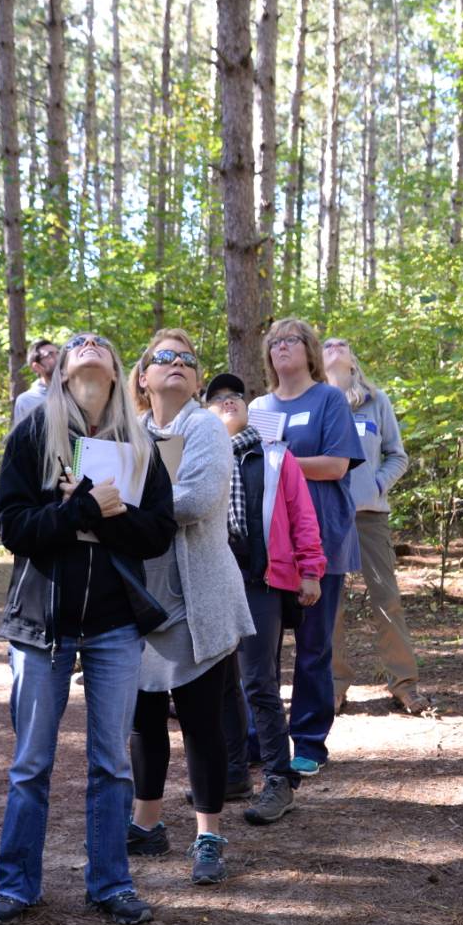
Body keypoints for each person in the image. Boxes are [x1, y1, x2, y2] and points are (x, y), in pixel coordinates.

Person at [0, 332, 175, 925]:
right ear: (63, 372)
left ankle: (111, 884)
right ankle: (16, 886)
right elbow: (11, 526)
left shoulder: (139, 442)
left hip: (115, 626)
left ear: (119, 374)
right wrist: (76, 513)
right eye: (78, 345)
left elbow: (157, 535)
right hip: (41, 625)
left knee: (111, 764)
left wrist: (106, 515)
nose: (89, 347)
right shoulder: (34, 435)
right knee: (31, 763)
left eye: (101, 346)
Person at [123, 332, 255, 885]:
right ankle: (146, 825)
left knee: (201, 722)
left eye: (187, 360)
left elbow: (198, 501)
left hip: (197, 598)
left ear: (198, 381)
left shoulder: (204, 427)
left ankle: (208, 836)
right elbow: (88, 488)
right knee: (143, 719)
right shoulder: (123, 431)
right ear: (142, 378)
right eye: (163, 359)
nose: (176, 364)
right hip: (136, 598)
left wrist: (117, 507)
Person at [206, 372, 326, 825]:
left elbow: (303, 517)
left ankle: (279, 778)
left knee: (258, 680)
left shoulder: (276, 458)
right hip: (214, 581)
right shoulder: (197, 457)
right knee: (219, 683)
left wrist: (311, 570)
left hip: (262, 581)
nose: (228, 402)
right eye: (217, 399)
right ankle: (234, 773)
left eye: (234, 396)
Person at [249, 318, 365, 777]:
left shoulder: (329, 399)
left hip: (323, 539)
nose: (281, 347)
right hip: (269, 543)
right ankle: (261, 737)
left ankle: (311, 742)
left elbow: (337, 465)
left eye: (291, 340)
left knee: (314, 646)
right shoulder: (259, 405)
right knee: (261, 647)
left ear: (310, 350)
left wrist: (282, 461)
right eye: (274, 342)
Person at [322, 337, 430, 717]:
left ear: (353, 360)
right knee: (329, 605)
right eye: (326, 343)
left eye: (342, 343)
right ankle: (333, 686)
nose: (334, 345)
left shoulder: (375, 401)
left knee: (386, 600)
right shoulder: (316, 400)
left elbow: (397, 455)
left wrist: (377, 485)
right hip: (326, 517)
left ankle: (404, 685)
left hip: (370, 516)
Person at [11, 338, 60, 429]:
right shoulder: (26, 401)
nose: (58, 358)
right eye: (50, 355)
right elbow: (22, 439)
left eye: (58, 353)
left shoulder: (74, 391)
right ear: (37, 367)